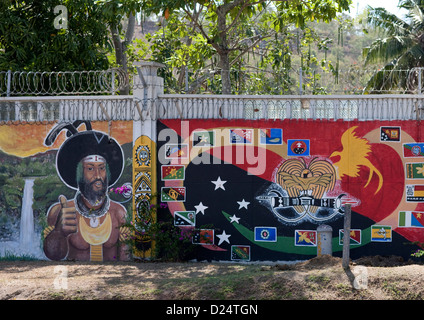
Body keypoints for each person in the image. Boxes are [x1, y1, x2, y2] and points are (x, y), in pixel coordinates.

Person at [43, 122, 130, 261]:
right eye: (90, 168)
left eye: (101, 168)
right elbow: (54, 256)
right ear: (79, 174)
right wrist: (59, 232)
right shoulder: (61, 211)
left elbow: (125, 261)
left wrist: (127, 242)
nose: (97, 175)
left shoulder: (118, 213)